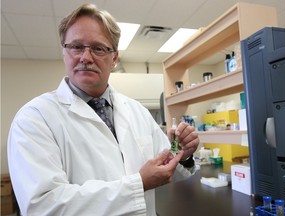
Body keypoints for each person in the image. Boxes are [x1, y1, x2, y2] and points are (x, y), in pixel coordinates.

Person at [7, 3, 199, 216]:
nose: (86, 58)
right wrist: (137, 184)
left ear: (114, 58)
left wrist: (182, 154)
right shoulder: (34, 118)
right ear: (64, 52)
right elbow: (43, 207)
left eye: (98, 48)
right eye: (77, 47)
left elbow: (165, 167)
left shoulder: (137, 111)